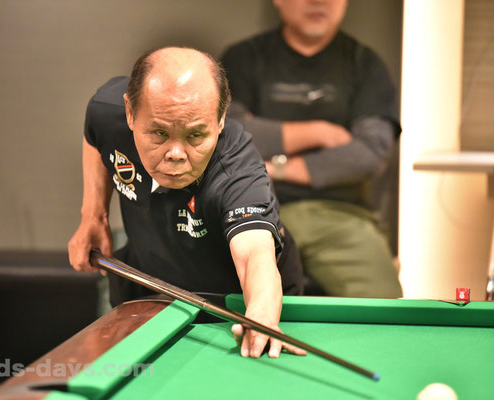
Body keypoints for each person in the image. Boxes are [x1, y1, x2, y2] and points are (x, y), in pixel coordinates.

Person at [68, 47, 305, 358]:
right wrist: (93, 216)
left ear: (221, 119)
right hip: (150, 283)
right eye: (159, 133)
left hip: (234, 304)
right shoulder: (107, 111)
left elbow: (253, 255)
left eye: (195, 136)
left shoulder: (237, 168)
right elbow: (95, 134)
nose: (176, 154)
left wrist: (261, 314)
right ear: (129, 113)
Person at [220, 0, 402, 298]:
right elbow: (229, 132)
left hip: (340, 215)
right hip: (251, 207)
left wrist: (275, 166)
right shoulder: (243, 59)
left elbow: (369, 154)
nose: (318, 1)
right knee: (223, 300)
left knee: (384, 311)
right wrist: (320, 132)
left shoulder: (364, 64)